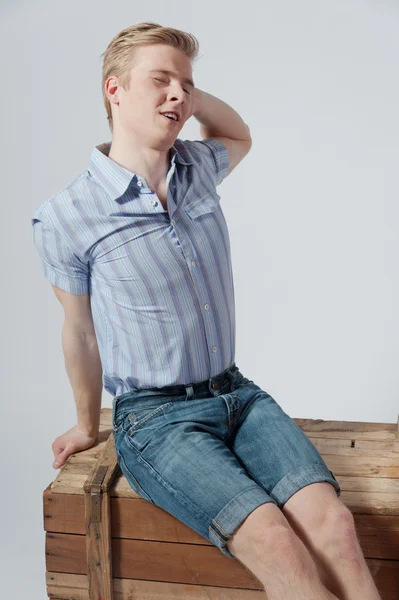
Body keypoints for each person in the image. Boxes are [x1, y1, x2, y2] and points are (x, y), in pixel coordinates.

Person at [31, 21, 381, 600]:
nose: (178, 94)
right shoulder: (68, 216)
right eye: (160, 80)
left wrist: (188, 93)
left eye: (186, 85)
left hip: (237, 396)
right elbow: (80, 333)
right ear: (113, 89)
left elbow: (237, 133)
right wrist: (87, 422)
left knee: (335, 526)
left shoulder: (197, 168)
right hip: (156, 421)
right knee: (275, 543)